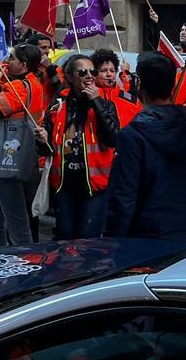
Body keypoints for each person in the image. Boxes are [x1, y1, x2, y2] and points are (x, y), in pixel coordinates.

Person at [105, 53, 186, 244]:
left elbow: (122, 200)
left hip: (142, 242)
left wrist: (110, 243)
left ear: (139, 85)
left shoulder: (131, 136)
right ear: (173, 86)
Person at [38, 53, 119, 240]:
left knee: (87, 238)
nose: (89, 76)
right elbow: (46, 151)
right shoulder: (57, 106)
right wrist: (41, 141)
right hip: (64, 186)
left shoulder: (106, 104)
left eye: (92, 71)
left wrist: (96, 103)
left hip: (95, 188)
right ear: (69, 78)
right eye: (82, 72)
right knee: (65, 236)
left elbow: (113, 139)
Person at [0, 44, 47, 246]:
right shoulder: (34, 82)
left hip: (6, 159)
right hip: (15, 156)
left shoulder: (18, 87)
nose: (8, 62)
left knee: (16, 224)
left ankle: (23, 264)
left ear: (23, 65)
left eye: (12, 59)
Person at [90, 48, 142, 128]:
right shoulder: (89, 97)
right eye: (103, 71)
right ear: (94, 73)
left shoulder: (128, 98)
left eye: (112, 71)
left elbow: (130, 84)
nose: (109, 74)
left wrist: (126, 72)